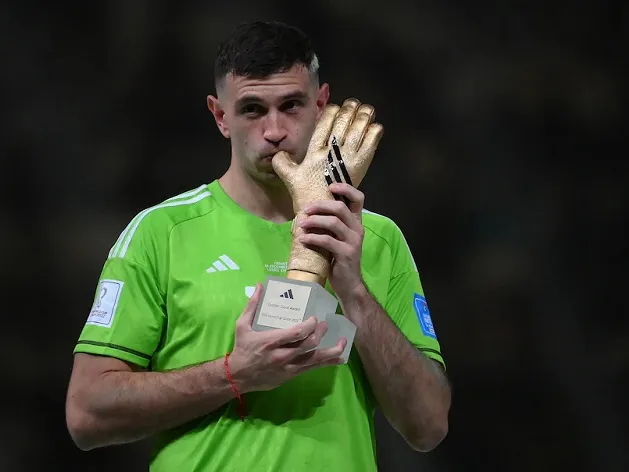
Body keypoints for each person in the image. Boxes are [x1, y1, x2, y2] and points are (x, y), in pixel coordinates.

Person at [65, 20, 451, 472]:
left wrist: (355, 294)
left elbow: (428, 425)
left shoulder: (377, 239)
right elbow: (87, 413)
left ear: (321, 104)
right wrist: (235, 373)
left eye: (291, 105)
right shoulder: (161, 233)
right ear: (220, 116)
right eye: (252, 109)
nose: (274, 130)